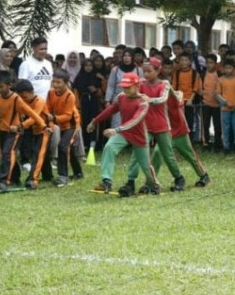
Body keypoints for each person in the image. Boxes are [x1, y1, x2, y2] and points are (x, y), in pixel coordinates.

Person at [0, 71, 47, 191]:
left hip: (15, 132)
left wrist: (43, 125)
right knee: (9, 154)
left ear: (9, 85)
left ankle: (4, 181)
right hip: (3, 131)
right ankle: (15, 178)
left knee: (8, 153)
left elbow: (31, 113)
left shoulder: (16, 99)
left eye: (1, 86)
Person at [123, 57, 186, 195]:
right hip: (145, 125)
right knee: (137, 153)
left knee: (167, 155)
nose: (145, 75)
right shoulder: (141, 84)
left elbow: (163, 98)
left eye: (149, 71)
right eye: (144, 71)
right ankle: (130, 182)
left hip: (162, 125)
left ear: (158, 71)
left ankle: (179, 178)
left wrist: (149, 99)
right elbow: (132, 92)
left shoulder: (164, 84)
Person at [87, 73, 158, 195]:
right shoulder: (121, 97)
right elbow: (111, 110)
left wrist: (116, 130)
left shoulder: (143, 102)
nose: (125, 90)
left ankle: (153, 184)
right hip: (124, 133)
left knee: (144, 165)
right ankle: (106, 180)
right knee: (109, 147)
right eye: (123, 87)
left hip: (138, 135)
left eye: (128, 87)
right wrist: (95, 121)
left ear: (136, 86)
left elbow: (135, 120)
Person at [152, 87, 211, 187]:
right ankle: (152, 181)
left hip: (180, 132)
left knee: (189, 154)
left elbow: (179, 96)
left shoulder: (173, 98)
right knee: (157, 153)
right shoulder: (154, 99)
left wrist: (170, 90)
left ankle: (204, 176)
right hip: (166, 133)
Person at [45, 69, 82, 187]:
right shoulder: (51, 93)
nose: (55, 85)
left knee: (63, 146)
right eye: (53, 82)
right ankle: (78, 173)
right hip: (60, 123)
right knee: (68, 148)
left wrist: (54, 119)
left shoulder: (70, 96)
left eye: (58, 82)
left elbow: (67, 116)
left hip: (72, 124)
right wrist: (49, 120)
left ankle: (63, 176)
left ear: (66, 83)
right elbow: (48, 108)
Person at [15, 79, 53, 189]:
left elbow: (34, 117)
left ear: (32, 91)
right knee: (42, 153)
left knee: (38, 153)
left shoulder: (39, 101)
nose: (22, 99)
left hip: (45, 130)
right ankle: (48, 175)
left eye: (24, 96)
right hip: (34, 131)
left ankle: (33, 179)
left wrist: (22, 125)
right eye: (20, 96)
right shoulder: (24, 101)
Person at [172, 51, 203, 146]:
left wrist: (190, 99)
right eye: (181, 60)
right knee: (178, 121)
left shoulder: (194, 74)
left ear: (190, 62)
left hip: (190, 101)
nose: (183, 62)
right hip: (179, 100)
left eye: (186, 60)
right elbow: (173, 87)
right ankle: (178, 141)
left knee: (190, 121)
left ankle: (189, 142)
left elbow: (195, 88)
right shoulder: (176, 73)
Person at [105, 49, 142, 128]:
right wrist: (108, 100)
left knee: (132, 123)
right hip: (118, 100)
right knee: (117, 124)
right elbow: (111, 86)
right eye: (125, 56)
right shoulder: (115, 70)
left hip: (134, 100)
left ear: (132, 57)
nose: (126, 58)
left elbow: (141, 86)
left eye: (129, 56)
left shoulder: (139, 70)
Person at [73, 59, 104, 150]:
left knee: (93, 120)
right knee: (84, 120)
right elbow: (75, 90)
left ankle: (93, 142)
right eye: (86, 65)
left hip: (94, 101)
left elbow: (102, 90)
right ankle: (84, 143)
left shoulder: (96, 77)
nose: (88, 67)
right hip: (83, 101)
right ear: (83, 66)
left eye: (90, 65)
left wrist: (96, 90)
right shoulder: (79, 77)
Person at [217, 58, 235, 153]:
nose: (228, 70)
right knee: (226, 128)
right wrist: (225, 102)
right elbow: (217, 94)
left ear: (234, 69)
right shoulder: (220, 80)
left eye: (230, 68)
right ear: (223, 69)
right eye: (226, 68)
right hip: (225, 109)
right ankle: (226, 147)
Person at [201, 54, 222, 151]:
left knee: (217, 125)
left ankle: (218, 144)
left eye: (211, 63)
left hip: (217, 104)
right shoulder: (202, 73)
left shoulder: (219, 74)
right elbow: (199, 87)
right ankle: (206, 143)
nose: (209, 65)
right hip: (206, 103)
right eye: (207, 63)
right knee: (205, 124)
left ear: (215, 63)